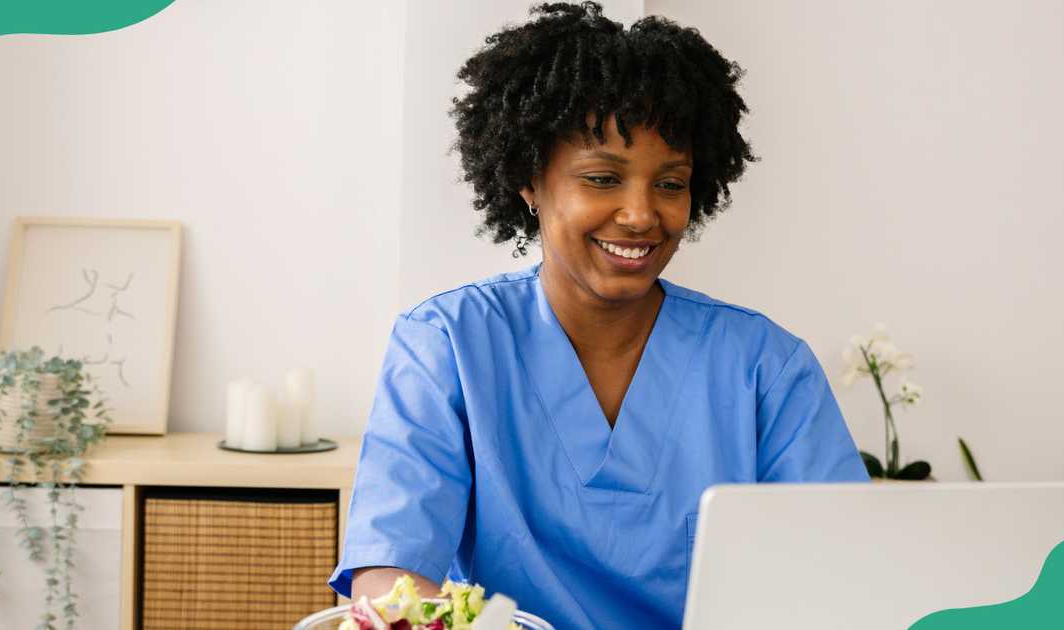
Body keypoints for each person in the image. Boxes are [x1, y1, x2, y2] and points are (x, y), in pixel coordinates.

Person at [329, 3, 869, 628]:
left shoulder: (765, 367)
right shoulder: (448, 344)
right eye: (603, 178)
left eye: (670, 184)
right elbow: (388, 573)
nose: (641, 215)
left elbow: (843, 570)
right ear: (530, 181)